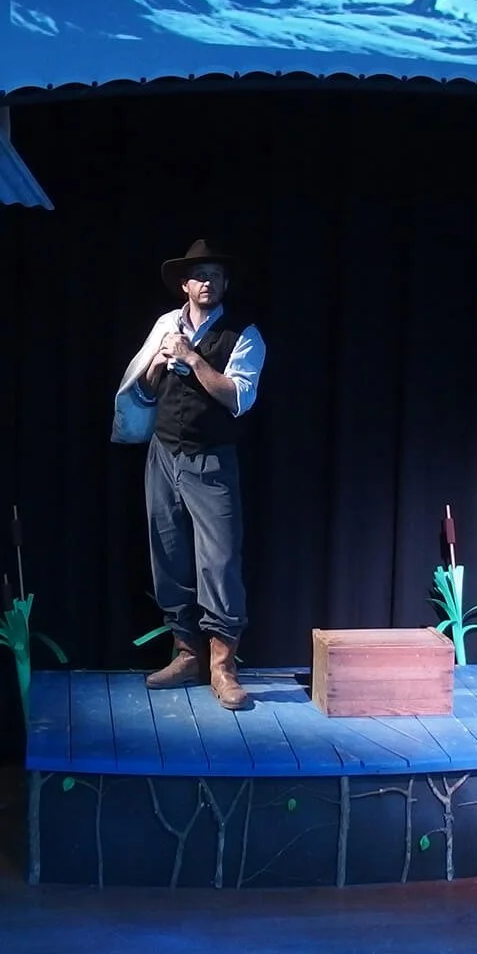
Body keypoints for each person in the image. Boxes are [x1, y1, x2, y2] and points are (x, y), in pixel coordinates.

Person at [111, 239, 267, 711]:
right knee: (170, 553)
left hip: (211, 459)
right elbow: (145, 388)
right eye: (199, 275)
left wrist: (195, 359)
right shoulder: (165, 325)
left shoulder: (245, 335)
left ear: (224, 284)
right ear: (184, 283)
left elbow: (238, 398)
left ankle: (223, 665)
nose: (207, 282)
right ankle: (186, 653)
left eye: (215, 276)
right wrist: (159, 363)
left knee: (218, 562)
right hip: (164, 454)